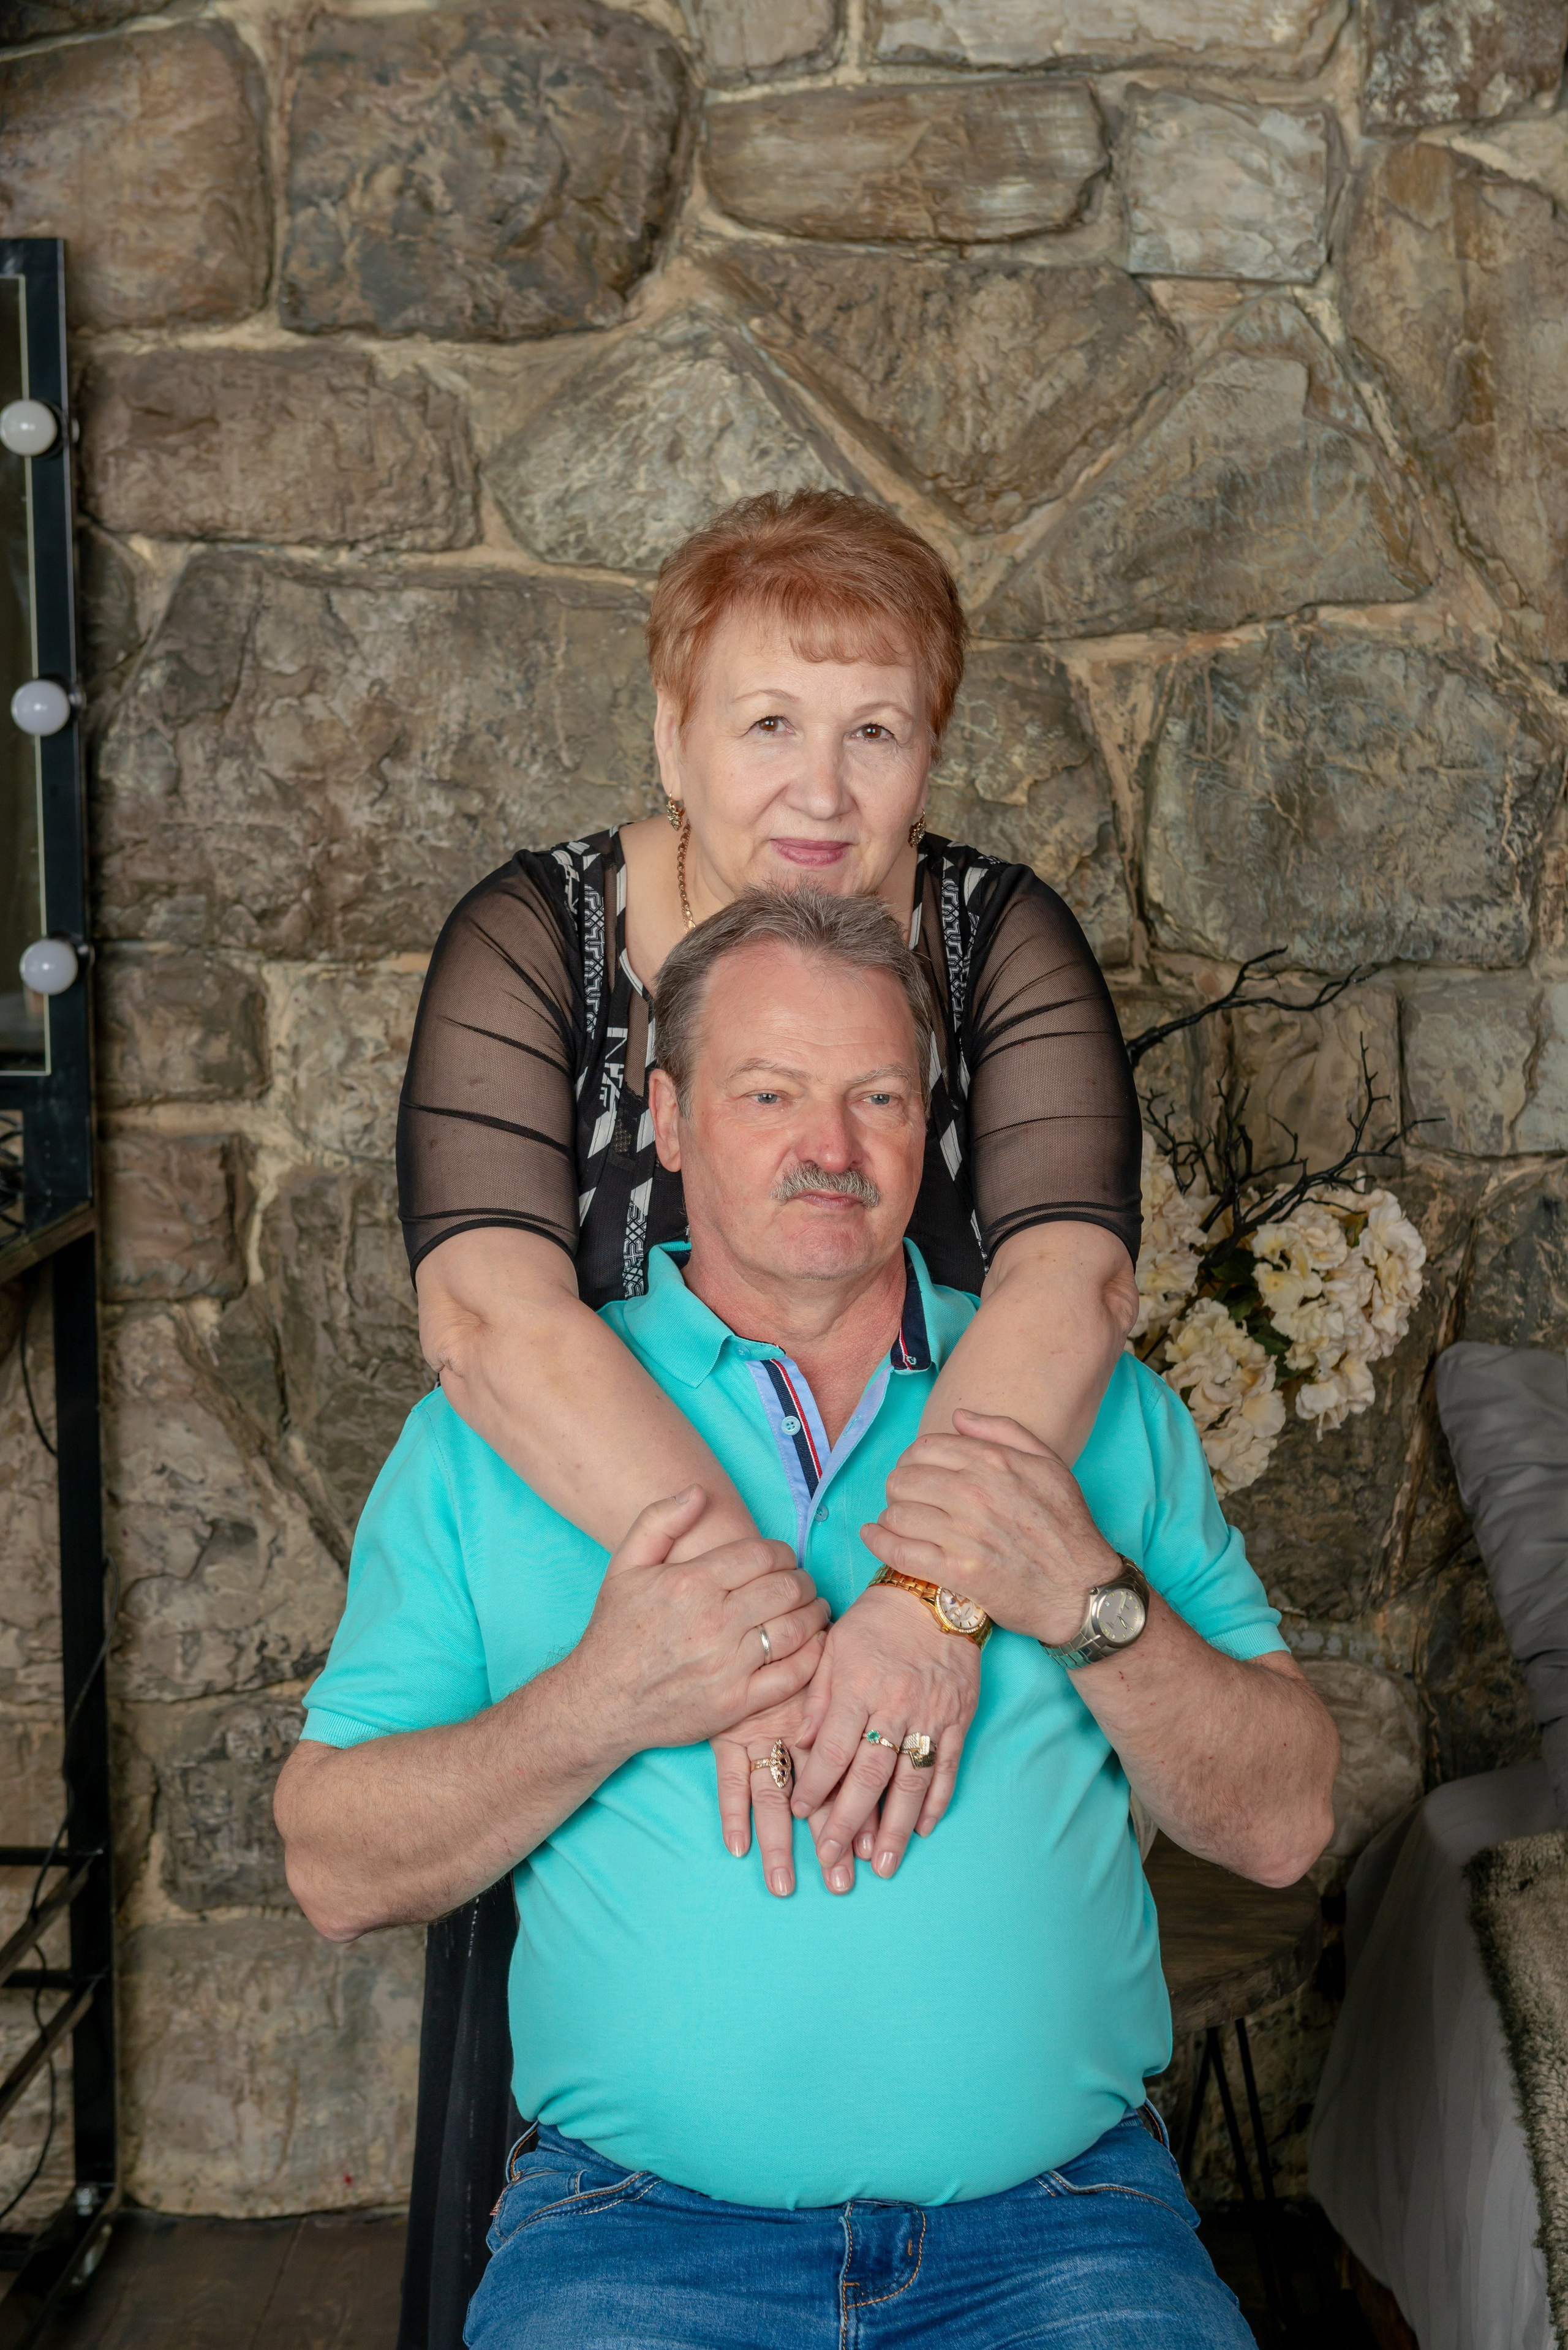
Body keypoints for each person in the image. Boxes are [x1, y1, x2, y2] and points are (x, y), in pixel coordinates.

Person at [280, 889, 1339, 2350]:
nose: (827, 1148)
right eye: (767, 1091)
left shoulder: (1089, 1407)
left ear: (932, 1124)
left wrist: (1087, 1606)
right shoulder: (496, 1434)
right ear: (664, 1116)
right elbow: (331, 1860)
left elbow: (1285, 1820)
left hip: (1063, 2231)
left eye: (876, 1097)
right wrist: (599, 1698)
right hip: (632, 2238)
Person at [394, 491, 1145, 2335]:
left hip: (925, 1542)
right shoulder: (535, 935)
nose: (823, 783)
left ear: (931, 750)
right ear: (671, 731)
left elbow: (1071, 1285)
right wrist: (734, 1611)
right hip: (619, 1571)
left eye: (875, 728)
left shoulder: (1000, 936)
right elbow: (491, 1311)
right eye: (768, 722)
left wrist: (928, 1600)